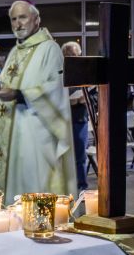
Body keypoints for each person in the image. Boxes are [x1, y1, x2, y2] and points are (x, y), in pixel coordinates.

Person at [0, 0, 77, 204]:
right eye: (13, 19)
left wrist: (19, 94)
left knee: (31, 188)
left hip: (34, 134)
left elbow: (56, 89)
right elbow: (8, 84)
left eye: (23, 17)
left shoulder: (49, 49)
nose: (18, 23)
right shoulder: (14, 52)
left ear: (37, 19)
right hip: (9, 131)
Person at [62, 41, 89, 191]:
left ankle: (81, 187)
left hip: (80, 119)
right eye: (69, 55)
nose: (72, 57)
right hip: (63, 120)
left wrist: (84, 99)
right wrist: (68, 101)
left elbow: (94, 95)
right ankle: (65, 187)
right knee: (63, 156)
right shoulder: (59, 72)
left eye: (75, 55)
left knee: (80, 157)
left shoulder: (84, 72)